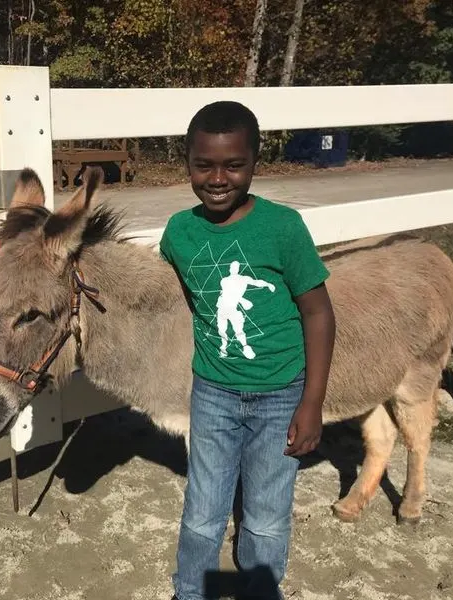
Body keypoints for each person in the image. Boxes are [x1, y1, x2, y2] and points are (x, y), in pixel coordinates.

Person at [159, 100, 336, 600]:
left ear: (255, 162)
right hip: (212, 393)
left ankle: (259, 588)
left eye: (234, 165)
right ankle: (189, 592)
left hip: (281, 395)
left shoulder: (282, 228)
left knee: (265, 512)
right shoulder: (179, 233)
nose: (218, 178)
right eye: (204, 164)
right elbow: (169, 294)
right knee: (203, 508)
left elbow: (318, 312)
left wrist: (312, 401)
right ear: (187, 163)